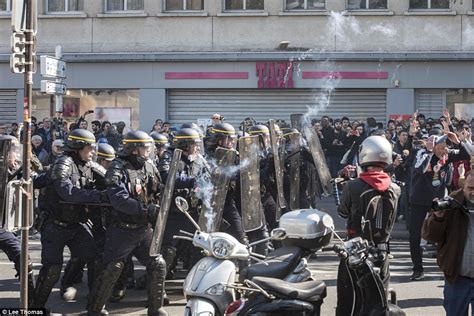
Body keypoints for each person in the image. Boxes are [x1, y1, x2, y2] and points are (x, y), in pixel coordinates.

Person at [86, 130, 167, 316]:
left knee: (157, 264)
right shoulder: (117, 168)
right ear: (134, 149)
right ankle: (95, 309)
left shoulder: (149, 166)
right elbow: (119, 199)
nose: (149, 151)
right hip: (122, 230)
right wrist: (146, 210)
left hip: (144, 229)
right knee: (112, 268)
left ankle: (155, 308)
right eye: (146, 147)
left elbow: (158, 189)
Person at [32, 129, 108, 308]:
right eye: (89, 148)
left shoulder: (88, 165)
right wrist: (98, 196)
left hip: (76, 224)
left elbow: (110, 182)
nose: (92, 152)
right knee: (52, 270)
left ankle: (95, 305)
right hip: (55, 225)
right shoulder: (63, 164)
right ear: (78, 147)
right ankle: (35, 308)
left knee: (93, 257)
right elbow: (68, 193)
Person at [337, 136, 401, 316]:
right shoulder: (395, 188)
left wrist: (345, 184)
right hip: (382, 252)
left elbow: (343, 212)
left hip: (355, 253)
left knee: (350, 301)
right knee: (379, 301)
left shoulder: (353, 186)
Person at [408, 127, 471, 281]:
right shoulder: (421, 154)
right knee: (415, 235)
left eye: (445, 148)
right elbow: (421, 168)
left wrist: (457, 141)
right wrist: (429, 152)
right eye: (441, 148)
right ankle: (418, 268)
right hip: (418, 200)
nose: (444, 151)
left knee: (444, 232)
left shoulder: (447, 155)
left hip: (437, 200)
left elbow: (465, 154)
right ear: (433, 146)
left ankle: (444, 266)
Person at [422, 170, 474, 316]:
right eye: (470, 188)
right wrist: (437, 217)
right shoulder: (451, 204)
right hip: (458, 279)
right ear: (463, 188)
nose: (473, 193)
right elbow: (430, 236)